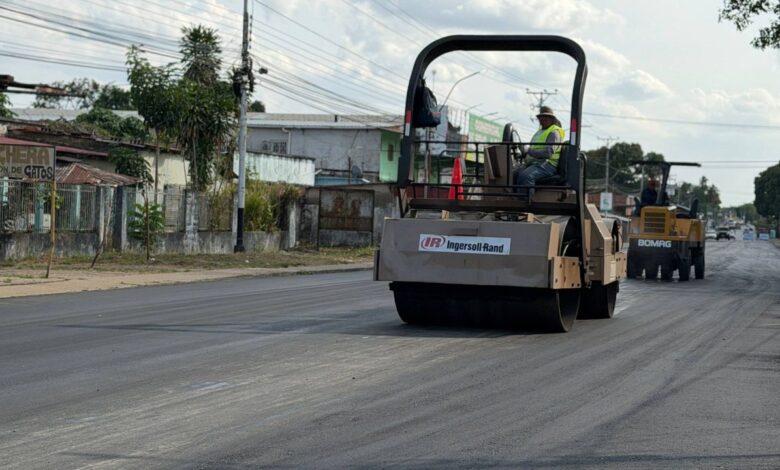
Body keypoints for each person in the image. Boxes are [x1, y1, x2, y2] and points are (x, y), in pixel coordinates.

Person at [513, 106, 565, 198]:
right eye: (541, 117)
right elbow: (533, 149)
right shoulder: (540, 132)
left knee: (526, 176)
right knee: (514, 174)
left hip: (548, 165)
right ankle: (515, 199)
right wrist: (523, 152)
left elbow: (547, 153)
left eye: (546, 117)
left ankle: (526, 202)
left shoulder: (554, 133)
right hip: (536, 162)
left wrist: (528, 150)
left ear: (551, 119)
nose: (542, 119)